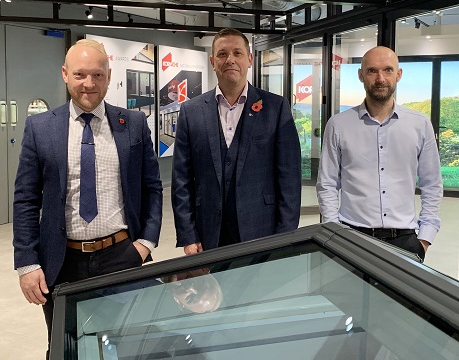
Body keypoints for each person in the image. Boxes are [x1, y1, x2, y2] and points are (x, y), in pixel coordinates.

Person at [12, 39, 163, 357]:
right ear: (65, 74)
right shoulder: (40, 128)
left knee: (131, 345)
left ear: (109, 76)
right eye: (80, 74)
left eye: (97, 75)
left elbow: (152, 187)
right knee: (66, 349)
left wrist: (145, 244)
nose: (89, 84)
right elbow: (26, 198)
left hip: (122, 256)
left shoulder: (132, 124)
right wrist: (27, 263)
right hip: (62, 261)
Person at [172, 28, 301, 255]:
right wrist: (188, 235)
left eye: (237, 53)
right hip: (208, 233)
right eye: (222, 54)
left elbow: (289, 178)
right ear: (212, 61)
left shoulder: (275, 108)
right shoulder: (191, 111)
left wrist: (285, 236)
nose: (229, 59)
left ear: (249, 59)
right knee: (211, 291)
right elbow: (181, 179)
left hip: (262, 230)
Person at [316, 46, 443, 260]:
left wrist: (424, 239)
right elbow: (327, 183)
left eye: (388, 70)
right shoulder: (338, 125)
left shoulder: (420, 124)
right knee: (349, 295)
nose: (380, 78)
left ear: (398, 75)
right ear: (361, 75)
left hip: (405, 241)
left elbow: (432, 184)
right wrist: (334, 231)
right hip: (351, 236)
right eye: (372, 71)